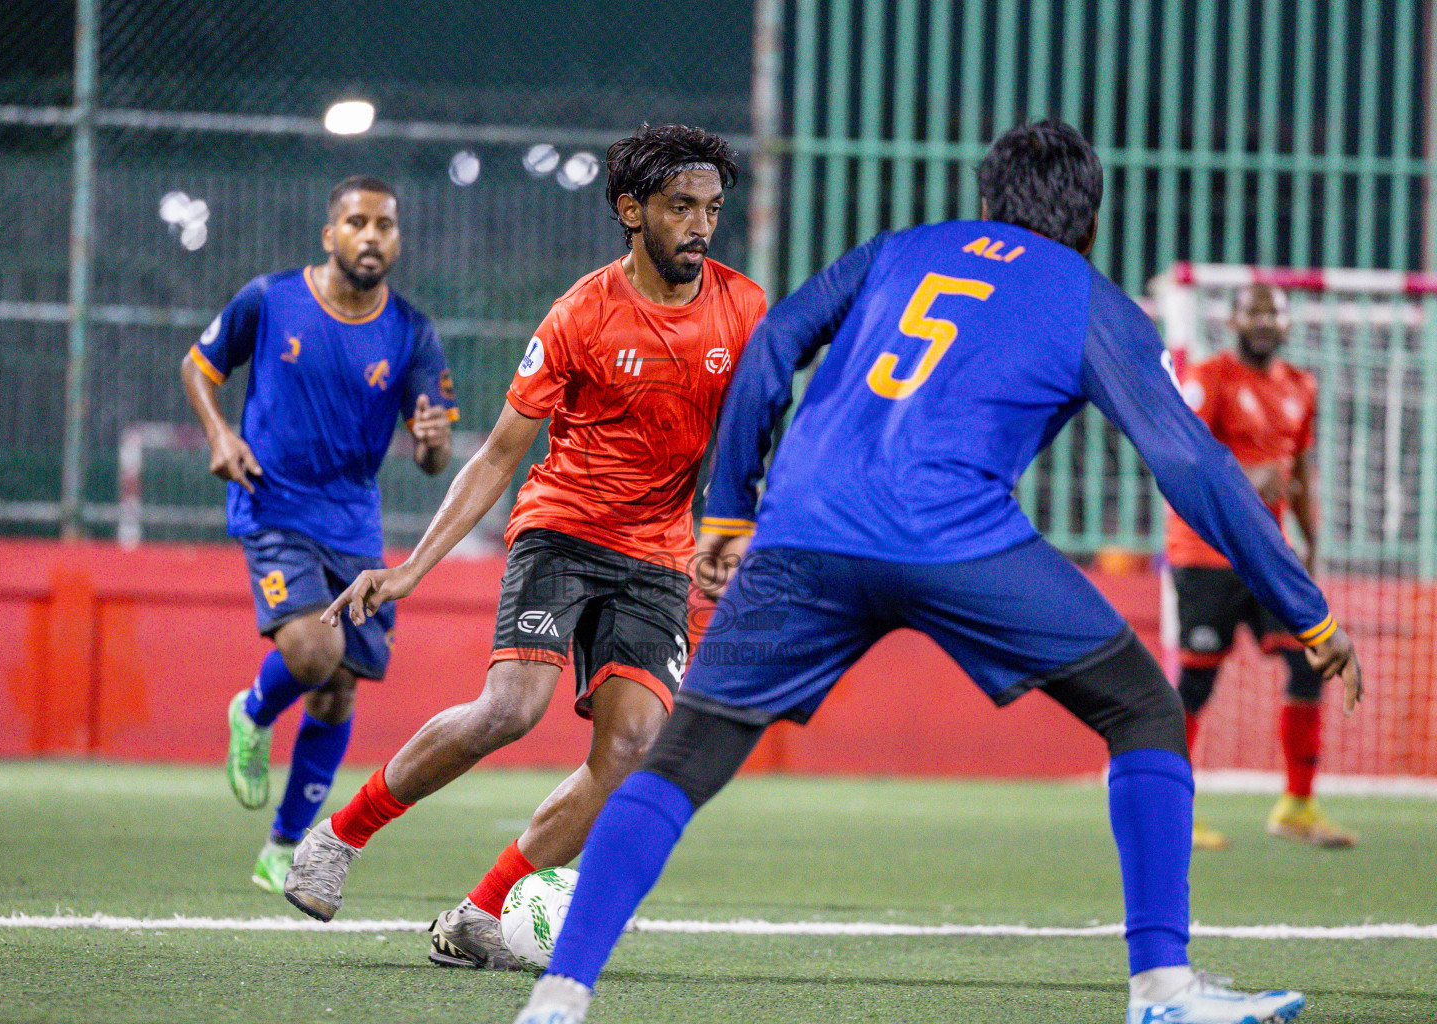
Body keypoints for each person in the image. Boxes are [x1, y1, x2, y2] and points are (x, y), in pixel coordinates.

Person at [511, 121, 1363, 1024]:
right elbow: (1190, 464)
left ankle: (559, 997)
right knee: (1144, 709)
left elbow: (773, 344)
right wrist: (1304, 610)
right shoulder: (1089, 298)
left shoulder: (900, 250)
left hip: (803, 538)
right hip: (959, 542)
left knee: (683, 758)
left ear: (987, 200)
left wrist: (729, 508)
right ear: (1090, 223)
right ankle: (1162, 988)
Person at [283, 124, 766, 971]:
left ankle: (479, 914)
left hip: (658, 553)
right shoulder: (582, 313)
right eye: (681, 207)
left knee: (631, 752)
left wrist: (736, 533)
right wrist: (411, 568)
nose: (700, 226)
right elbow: (499, 453)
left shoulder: (743, 307)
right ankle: (340, 836)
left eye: (712, 209)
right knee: (510, 709)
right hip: (563, 530)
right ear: (632, 210)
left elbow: (753, 435)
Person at [181, 175, 457, 893]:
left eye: (385, 225)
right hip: (272, 504)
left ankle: (281, 848)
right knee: (313, 649)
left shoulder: (412, 332)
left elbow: (433, 460)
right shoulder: (270, 299)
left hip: (353, 524)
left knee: (337, 692)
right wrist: (219, 435)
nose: (372, 236)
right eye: (358, 222)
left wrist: (432, 443)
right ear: (331, 233)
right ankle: (253, 711)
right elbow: (198, 367)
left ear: (397, 239)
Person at [1166, 284, 1355, 851]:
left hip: (1268, 556)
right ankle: (1170, 811)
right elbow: (1180, 459)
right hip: (1206, 553)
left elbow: (1299, 472)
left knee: (1310, 662)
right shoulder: (1209, 378)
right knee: (1197, 680)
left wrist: (1310, 547)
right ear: (1233, 320)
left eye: (1274, 312)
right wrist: (1249, 480)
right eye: (1254, 311)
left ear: (1288, 324)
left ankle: (1297, 805)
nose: (1265, 321)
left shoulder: (1301, 386)